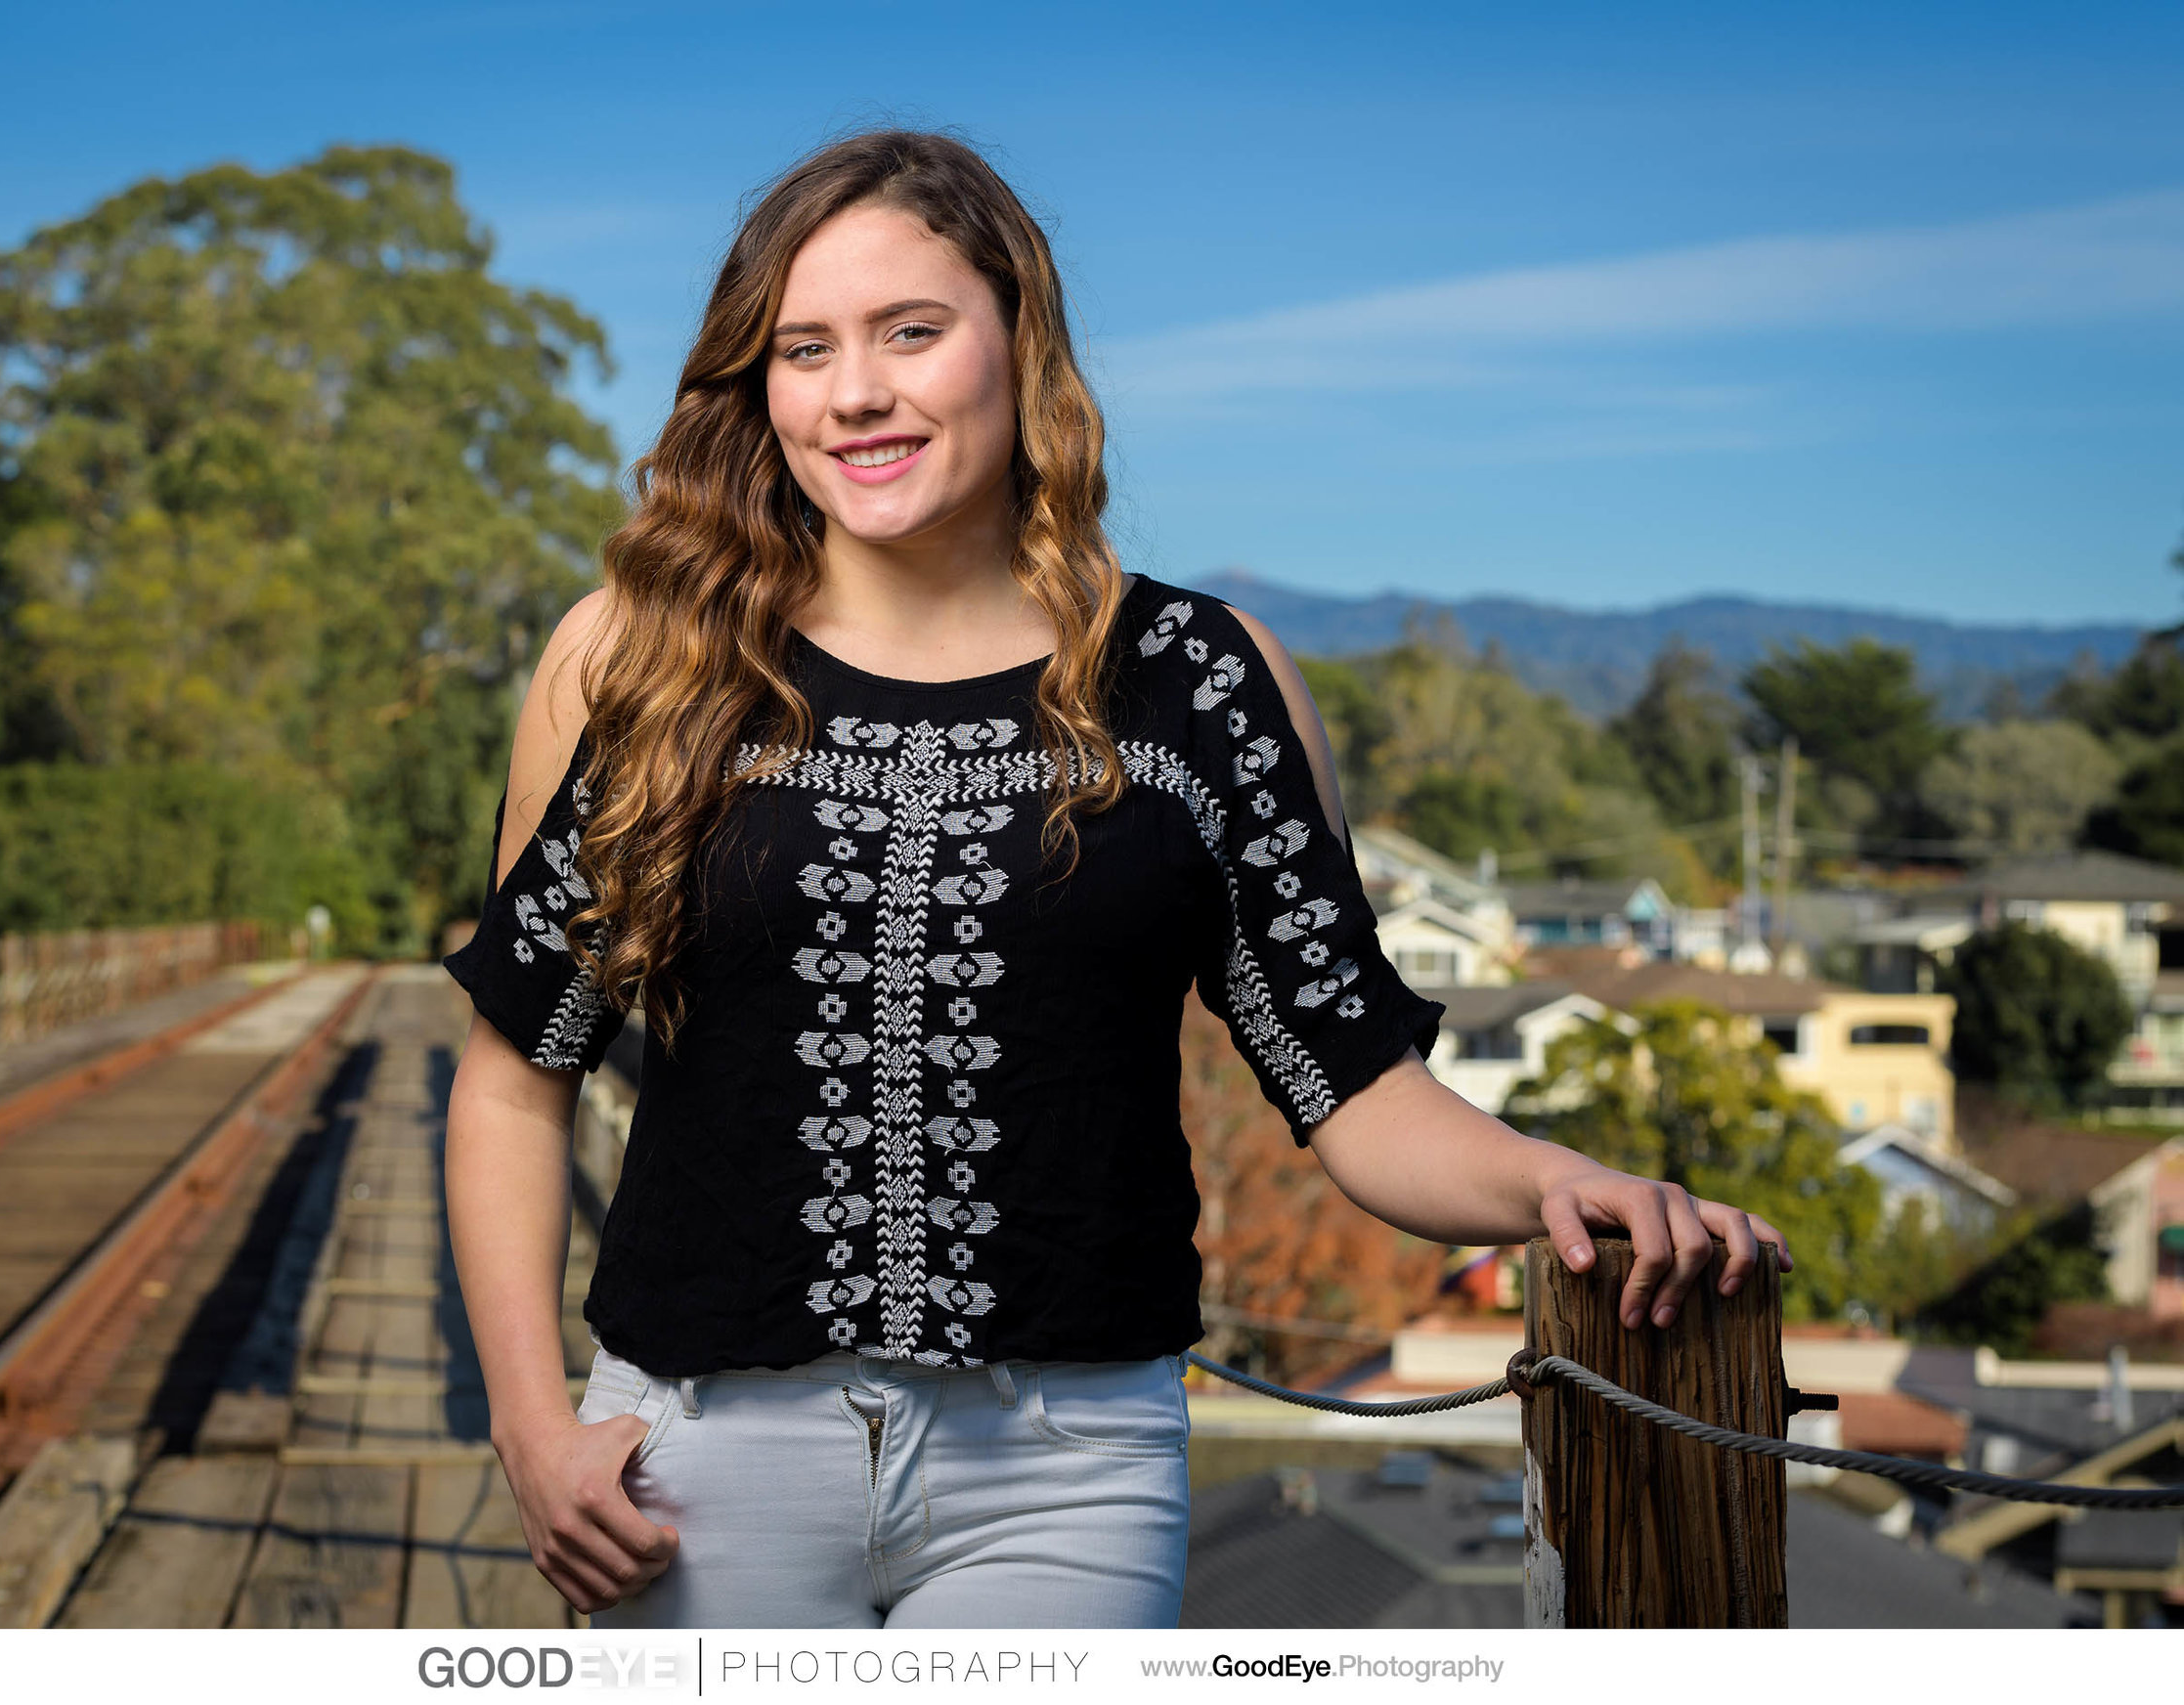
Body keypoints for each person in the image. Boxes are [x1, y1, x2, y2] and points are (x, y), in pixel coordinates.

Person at [441, 129, 1789, 1630]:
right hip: (690, 1461)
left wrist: (1560, 1182)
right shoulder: (640, 658)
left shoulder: (1203, 682)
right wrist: (528, 1423)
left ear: (1021, 343)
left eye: (912, 331)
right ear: (756, 386)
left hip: (1064, 1474)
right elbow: (515, 1077)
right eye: (803, 347)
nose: (856, 392)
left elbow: (1352, 1089)